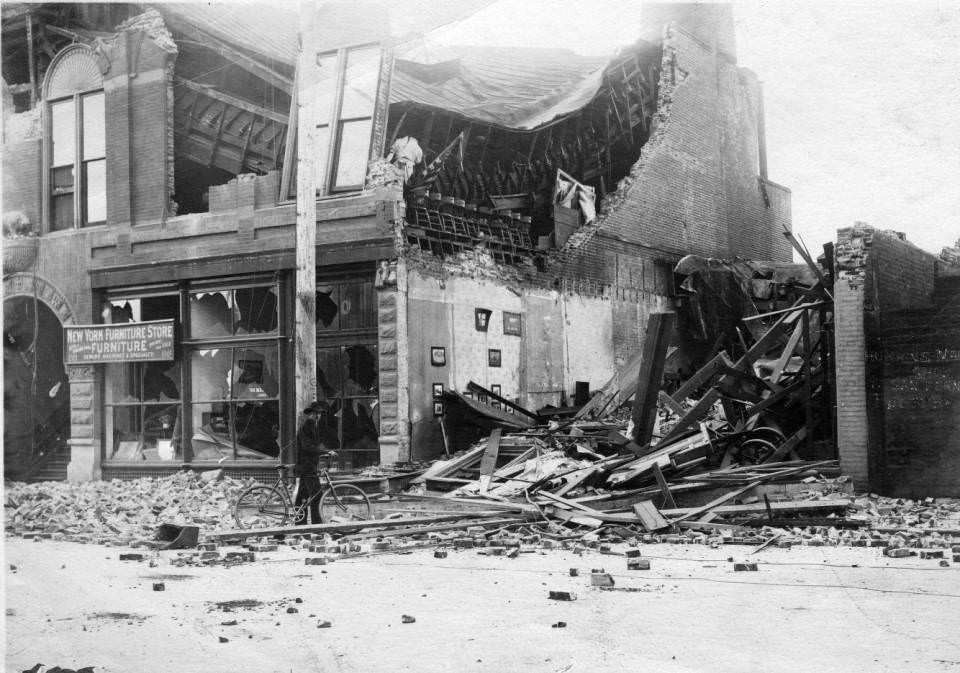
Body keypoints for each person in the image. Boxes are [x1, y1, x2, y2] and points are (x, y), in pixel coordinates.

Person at [293, 401, 335, 525]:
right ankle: (317, 523)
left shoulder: (312, 425)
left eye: (319, 414)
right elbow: (308, 446)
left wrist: (325, 451)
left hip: (306, 465)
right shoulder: (308, 424)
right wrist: (326, 451)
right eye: (315, 413)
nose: (317, 416)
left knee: (303, 494)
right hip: (307, 466)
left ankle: (300, 523)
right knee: (317, 494)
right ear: (310, 414)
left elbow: (315, 445)